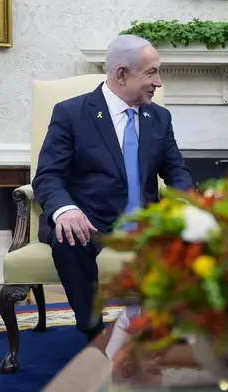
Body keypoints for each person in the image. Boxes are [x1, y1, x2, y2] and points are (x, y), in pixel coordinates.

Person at [32, 34, 194, 342]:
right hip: (89, 219)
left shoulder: (159, 117)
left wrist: (188, 204)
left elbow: (176, 169)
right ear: (122, 74)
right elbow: (48, 175)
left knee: (193, 236)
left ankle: (170, 324)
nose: (158, 82)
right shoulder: (71, 113)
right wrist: (66, 210)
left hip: (145, 222)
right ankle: (93, 331)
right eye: (151, 73)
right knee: (68, 237)